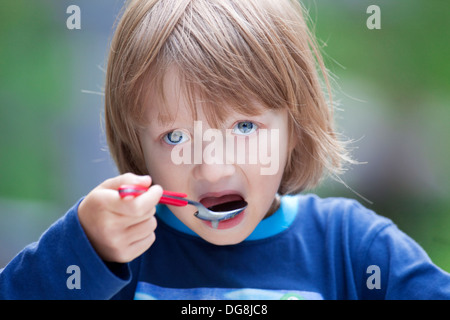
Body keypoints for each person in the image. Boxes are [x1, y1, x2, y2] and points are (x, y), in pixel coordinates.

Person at [1, 0, 450, 300]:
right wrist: (83, 248)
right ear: (135, 148)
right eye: (175, 138)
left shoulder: (354, 250)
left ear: (296, 128)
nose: (212, 169)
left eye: (245, 126)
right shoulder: (119, 257)